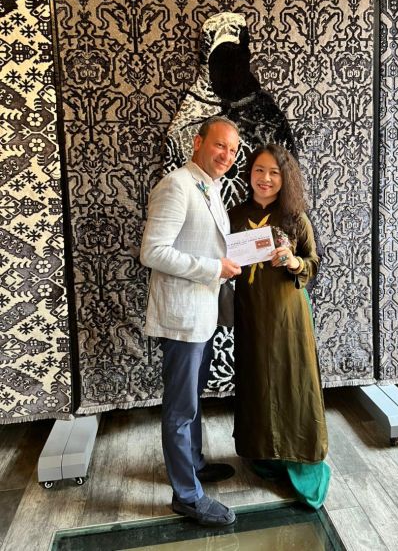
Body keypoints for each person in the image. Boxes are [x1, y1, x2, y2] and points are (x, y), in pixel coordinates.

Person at [140, 116, 242, 527]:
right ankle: (186, 495)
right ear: (198, 142)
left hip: (203, 314)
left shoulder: (210, 186)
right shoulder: (177, 185)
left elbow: (209, 244)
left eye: (233, 150)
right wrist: (213, 268)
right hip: (181, 316)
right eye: (220, 145)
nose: (226, 155)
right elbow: (152, 252)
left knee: (193, 399)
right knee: (180, 408)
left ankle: (194, 464)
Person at [228, 144, 330, 509]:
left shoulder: (294, 218)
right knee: (257, 380)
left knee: (293, 382)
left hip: (289, 317)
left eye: (274, 172)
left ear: (285, 178)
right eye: (259, 170)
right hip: (250, 313)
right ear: (249, 173)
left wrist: (294, 262)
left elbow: (313, 261)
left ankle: (302, 459)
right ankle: (264, 453)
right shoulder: (234, 215)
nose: (266, 178)